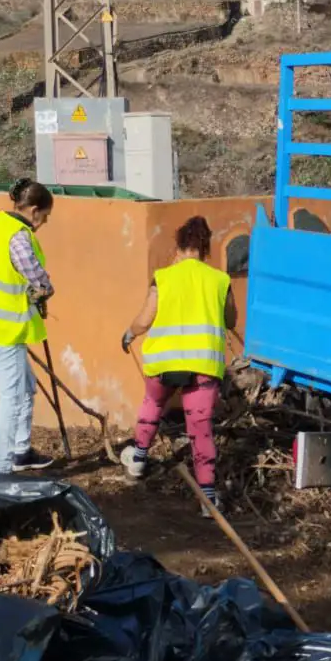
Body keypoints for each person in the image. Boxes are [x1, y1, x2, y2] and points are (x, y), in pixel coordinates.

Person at [119, 215, 236, 508]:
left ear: (179, 246)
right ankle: (208, 497)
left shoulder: (163, 277)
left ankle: (138, 461)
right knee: (200, 428)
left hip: (163, 363)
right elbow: (231, 319)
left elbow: (145, 319)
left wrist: (129, 334)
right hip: (203, 365)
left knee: (153, 406)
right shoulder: (220, 280)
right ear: (205, 247)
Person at [0, 179, 56, 474]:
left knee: (27, 387)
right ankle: (4, 469)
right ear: (33, 210)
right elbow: (37, 277)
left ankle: (21, 450)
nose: (43, 223)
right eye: (44, 216)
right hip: (7, 330)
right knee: (12, 399)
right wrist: (44, 289)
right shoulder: (19, 236)